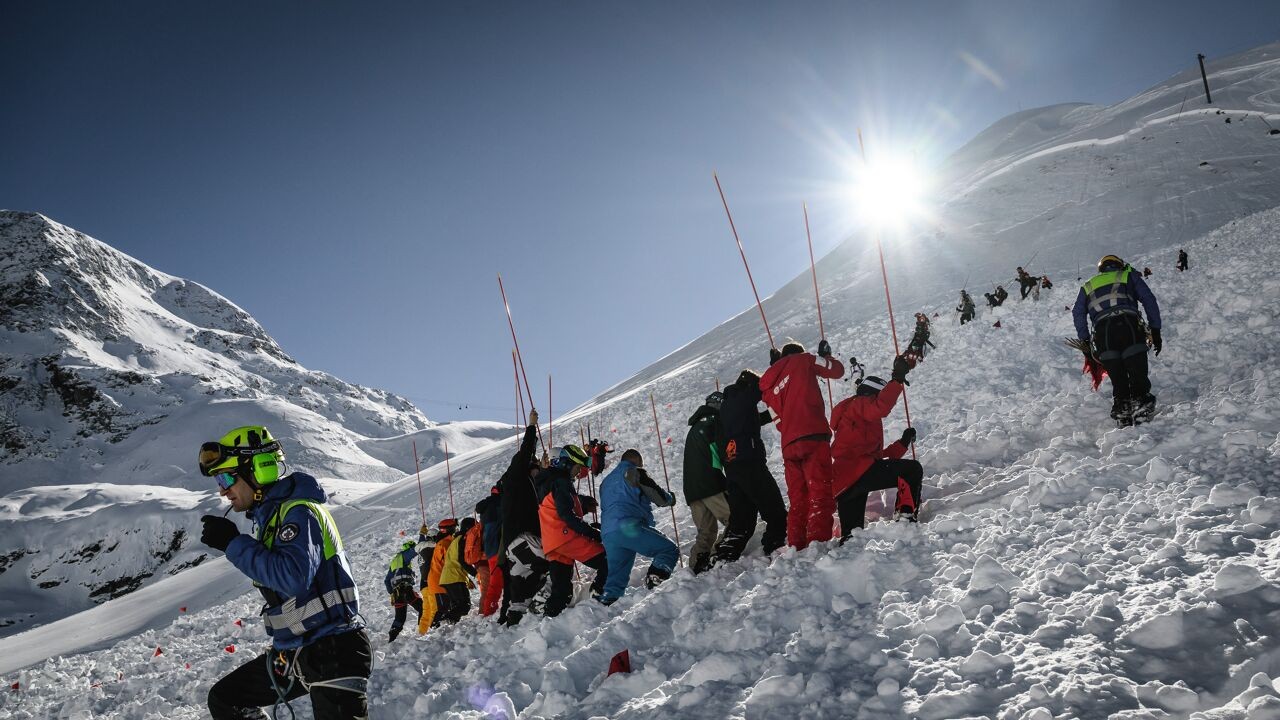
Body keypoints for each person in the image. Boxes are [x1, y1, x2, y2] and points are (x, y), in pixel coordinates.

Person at [197, 425, 371, 719]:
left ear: (258, 470)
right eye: (218, 480)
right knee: (226, 699)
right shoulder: (273, 518)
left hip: (334, 649)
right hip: (299, 651)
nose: (222, 490)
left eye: (226, 478)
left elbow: (293, 578)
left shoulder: (299, 512)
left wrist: (232, 543)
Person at [759, 340, 844, 550]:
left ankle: (796, 545)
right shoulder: (804, 360)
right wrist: (826, 356)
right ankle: (817, 543)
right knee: (820, 492)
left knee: (798, 500)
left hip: (789, 445)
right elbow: (837, 371)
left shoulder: (769, 385)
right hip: (813, 435)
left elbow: (779, 423)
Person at [830, 360, 925, 537]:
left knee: (852, 536)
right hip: (860, 472)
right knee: (912, 470)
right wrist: (897, 380)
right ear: (871, 394)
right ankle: (905, 517)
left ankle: (847, 552)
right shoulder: (859, 404)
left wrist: (903, 443)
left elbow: (876, 458)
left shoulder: (853, 419)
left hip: (845, 483)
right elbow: (881, 406)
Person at [1072, 254, 1163, 426]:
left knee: (1117, 376)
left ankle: (1123, 409)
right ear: (1119, 265)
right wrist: (1155, 329)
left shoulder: (1087, 286)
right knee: (1136, 369)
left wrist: (1085, 341)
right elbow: (1148, 299)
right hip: (1129, 326)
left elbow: (1078, 313)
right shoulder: (1128, 276)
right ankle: (1141, 406)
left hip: (1103, 335)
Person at [713, 370, 788, 563]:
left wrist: (776, 411)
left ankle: (725, 557)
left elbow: (755, 420)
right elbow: (759, 390)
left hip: (733, 467)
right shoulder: (741, 397)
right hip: (749, 462)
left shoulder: (729, 405)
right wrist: (775, 372)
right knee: (773, 505)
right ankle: (775, 545)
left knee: (742, 517)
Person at [597, 449, 679, 605]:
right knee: (669, 550)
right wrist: (670, 498)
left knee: (616, 575)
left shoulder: (605, 482)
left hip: (608, 533)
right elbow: (658, 497)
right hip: (628, 526)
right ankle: (655, 582)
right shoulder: (633, 472)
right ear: (637, 461)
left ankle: (607, 603)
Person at [536, 445, 608, 617]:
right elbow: (567, 515)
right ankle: (599, 596)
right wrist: (593, 534)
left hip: (553, 543)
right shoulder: (561, 482)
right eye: (577, 467)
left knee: (561, 591)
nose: (578, 472)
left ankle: (550, 621)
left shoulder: (547, 481)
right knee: (608, 560)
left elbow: (556, 506)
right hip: (566, 537)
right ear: (565, 464)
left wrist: (582, 504)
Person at [499, 410, 546, 625]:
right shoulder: (516, 476)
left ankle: (515, 619)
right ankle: (547, 601)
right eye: (535, 467)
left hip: (514, 544)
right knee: (556, 561)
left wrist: (542, 470)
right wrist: (531, 427)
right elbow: (525, 452)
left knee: (522, 584)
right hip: (523, 539)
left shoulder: (520, 486)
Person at [681, 391, 731, 574]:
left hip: (692, 489)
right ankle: (719, 554)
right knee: (735, 518)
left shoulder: (696, 427)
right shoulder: (714, 422)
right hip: (711, 483)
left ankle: (695, 568)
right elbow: (723, 452)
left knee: (706, 531)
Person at [418, 518, 458, 633]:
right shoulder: (434, 546)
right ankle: (433, 632)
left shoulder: (421, 547)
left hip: (423, 583)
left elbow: (420, 542)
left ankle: (422, 633)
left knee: (426, 611)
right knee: (435, 609)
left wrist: (422, 534)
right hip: (432, 582)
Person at [385, 536, 424, 643]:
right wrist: (422, 534)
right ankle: (423, 632)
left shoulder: (395, 562)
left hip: (397, 594)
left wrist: (392, 593)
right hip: (406, 590)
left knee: (399, 618)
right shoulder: (404, 555)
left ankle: (391, 639)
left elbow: (387, 581)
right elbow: (418, 547)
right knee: (423, 608)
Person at [438, 517, 476, 622]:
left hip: (448, 577)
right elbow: (461, 560)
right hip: (454, 577)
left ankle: (449, 624)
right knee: (464, 606)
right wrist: (475, 573)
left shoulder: (456, 539)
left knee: (457, 606)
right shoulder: (463, 539)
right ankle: (444, 621)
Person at [475, 486, 503, 617]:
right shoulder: (500, 504)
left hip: (488, 549)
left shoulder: (484, 507)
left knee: (494, 581)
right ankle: (488, 611)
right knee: (496, 581)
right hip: (499, 546)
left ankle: (488, 610)